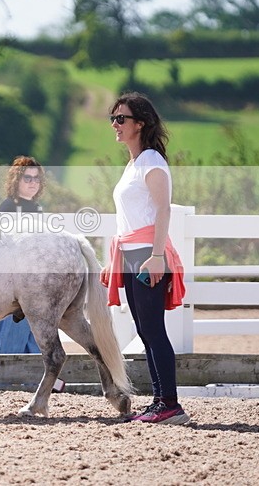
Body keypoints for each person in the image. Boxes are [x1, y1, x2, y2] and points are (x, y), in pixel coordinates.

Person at [100, 92, 188, 425]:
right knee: (144, 329)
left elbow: (163, 209)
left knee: (153, 330)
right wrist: (114, 261)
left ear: (141, 123)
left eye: (121, 118)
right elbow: (130, 216)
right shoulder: (134, 164)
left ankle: (169, 404)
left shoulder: (151, 160)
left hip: (148, 255)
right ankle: (160, 401)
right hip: (131, 253)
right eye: (113, 119)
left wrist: (155, 255)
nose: (115, 125)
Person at [0, 156, 44, 354]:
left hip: (34, 281)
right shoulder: (8, 207)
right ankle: (4, 379)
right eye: (27, 178)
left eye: (36, 178)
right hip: (13, 283)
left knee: (36, 334)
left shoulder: (37, 208)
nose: (33, 183)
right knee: (12, 333)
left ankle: (33, 378)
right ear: (17, 180)